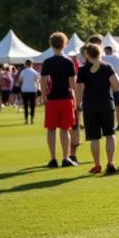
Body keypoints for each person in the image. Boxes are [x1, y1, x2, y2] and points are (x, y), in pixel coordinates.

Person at [75, 43, 119, 174]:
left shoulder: (83, 70)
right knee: (110, 134)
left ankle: (97, 164)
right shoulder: (107, 67)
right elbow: (117, 85)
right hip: (106, 103)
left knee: (94, 138)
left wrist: (77, 103)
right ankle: (110, 162)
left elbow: (78, 88)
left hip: (90, 105)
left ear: (87, 55)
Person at [40, 33, 78, 168]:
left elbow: (43, 81)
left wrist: (44, 96)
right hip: (66, 98)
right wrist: (76, 100)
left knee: (51, 129)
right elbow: (73, 84)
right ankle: (65, 157)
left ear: (51, 44)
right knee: (64, 129)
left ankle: (52, 158)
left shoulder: (48, 62)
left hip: (52, 99)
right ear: (65, 44)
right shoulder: (68, 62)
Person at [102, 45, 119, 131]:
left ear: (105, 50)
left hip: (105, 84)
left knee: (106, 106)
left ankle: (107, 125)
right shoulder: (118, 58)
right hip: (117, 83)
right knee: (118, 105)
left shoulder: (102, 57)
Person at [17, 59, 40, 124]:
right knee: (32, 105)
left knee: (26, 105)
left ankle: (26, 120)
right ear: (32, 64)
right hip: (33, 90)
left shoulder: (23, 72)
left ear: (25, 64)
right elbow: (37, 81)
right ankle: (32, 119)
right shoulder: (35, 72)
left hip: (25, 90)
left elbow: (19, 80)